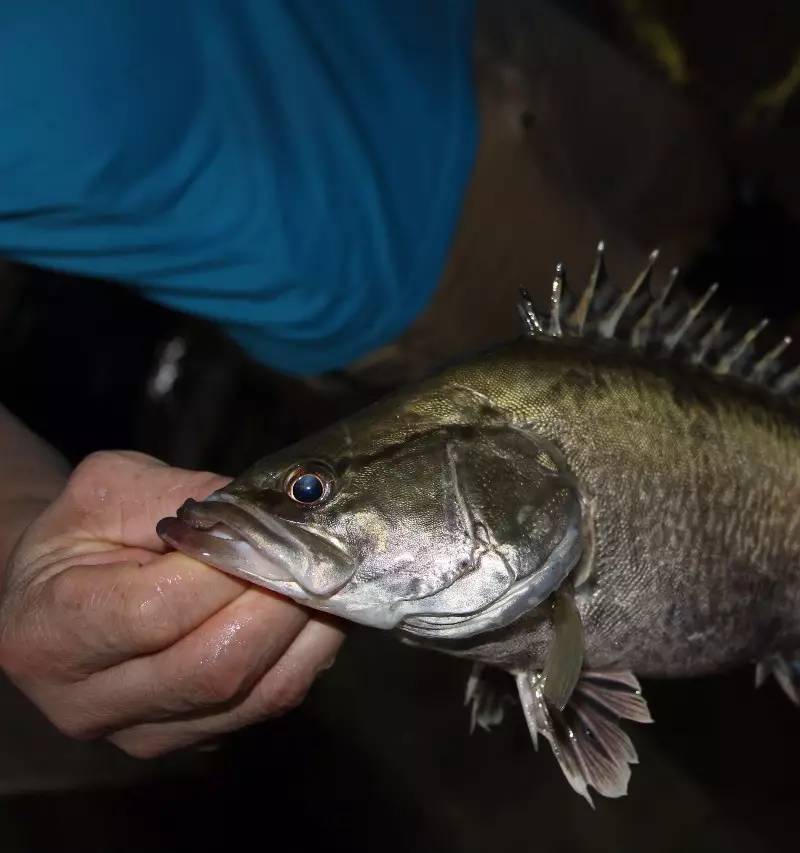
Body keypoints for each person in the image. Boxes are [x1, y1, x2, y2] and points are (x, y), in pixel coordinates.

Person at [0, 0, 729, 759]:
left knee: (696, 189)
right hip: (404, 265)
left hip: (462, 29)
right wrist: (23, 539)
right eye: (309, 493)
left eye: (309, 492)